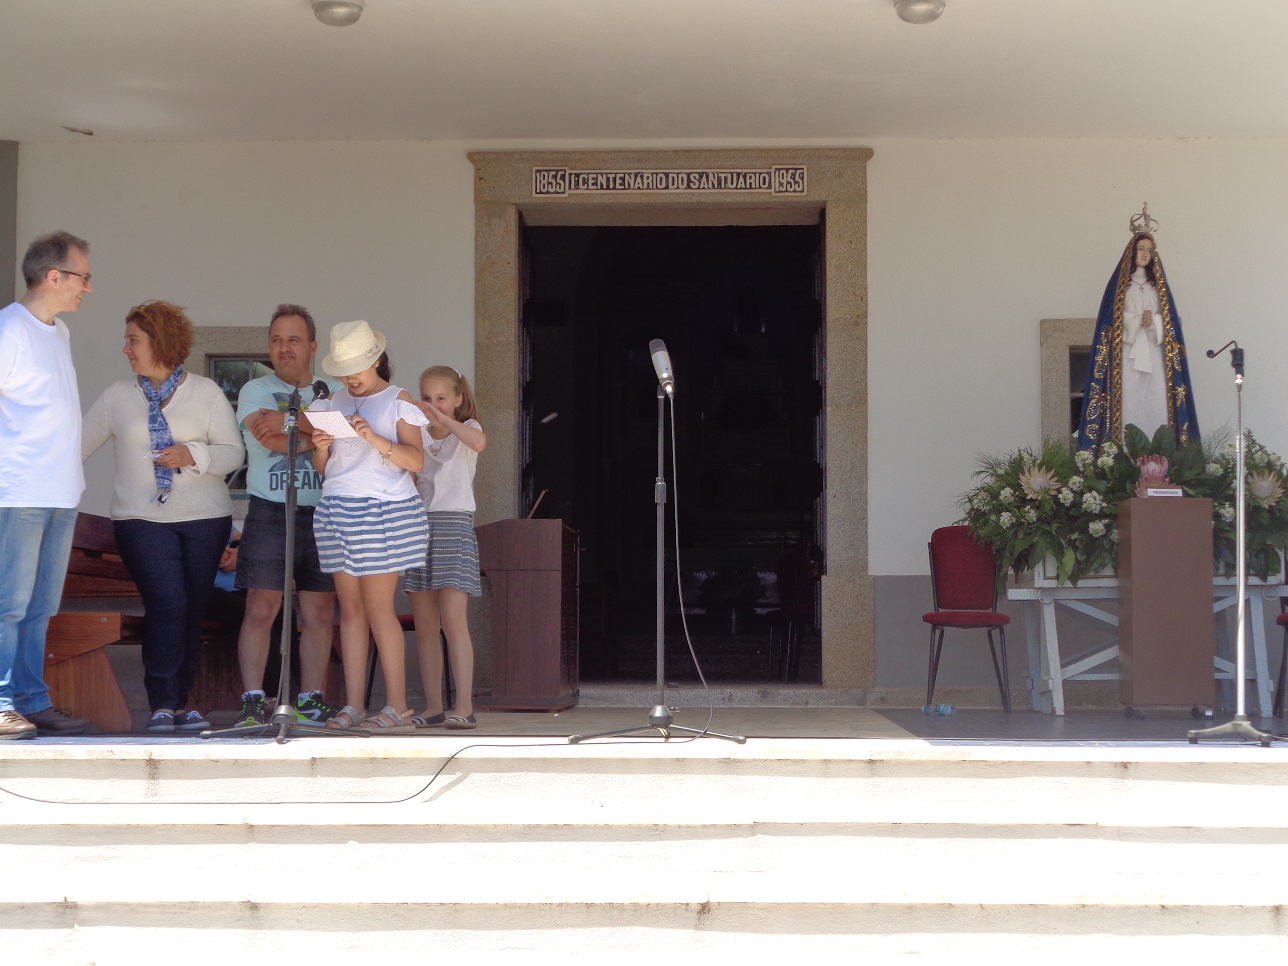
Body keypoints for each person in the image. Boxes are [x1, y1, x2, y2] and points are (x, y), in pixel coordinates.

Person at [82, 300, 245, 732]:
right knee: (168, 602)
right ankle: (162, 703)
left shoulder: (206, 393)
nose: (126, 349)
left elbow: (233, 453)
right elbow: (73, 449)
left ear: (160, 342)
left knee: (190, 608)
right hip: (140, 520)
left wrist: (193, 454)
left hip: (206, 519)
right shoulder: (117, 396)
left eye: (133, 340)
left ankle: (180, 703)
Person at [308, 321, 428, 731]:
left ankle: (397, 708)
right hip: (338, 506)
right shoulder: (332, 403)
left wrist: (375, 439)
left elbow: (416, 461)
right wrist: (320, 449)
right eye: (343, 371)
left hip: (383, 508)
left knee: (379, 608)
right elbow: (326, 468)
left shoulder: (397, 400)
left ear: (376, 360)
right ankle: (354, 706)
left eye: (356, 368)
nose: (350, 378)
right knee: (351, 610)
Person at [0, 231, 93, 739]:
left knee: (40, 608)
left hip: (60, 491)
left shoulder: (59, 332)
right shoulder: (8, 329)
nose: (88, 287)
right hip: (18, 492)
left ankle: (31, 700)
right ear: (54, 276)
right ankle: (1, 702)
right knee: (9, 604)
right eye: (83, 276)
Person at [233, 305, 341, 728]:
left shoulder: (333, 389)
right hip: (270, 511)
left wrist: (289, 421)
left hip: (325, 511)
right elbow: (272, 441)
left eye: (293, 340)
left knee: (319, 611)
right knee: (261, 609)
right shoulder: (255, 389)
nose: (284, 348)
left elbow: (345, 431)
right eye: (276, 340)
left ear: (312, 347)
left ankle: (311, 702)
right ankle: (253, 702)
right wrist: (315, 431)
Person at [405, 366, 487, 730]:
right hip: (418, 525)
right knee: (425, 625)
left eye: (441, 398)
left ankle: (464, 706)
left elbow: (479, 443)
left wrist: (445, 419)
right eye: (426, 397)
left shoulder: (468, 428)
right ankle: (433, 706)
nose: (433, 404)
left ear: (457, 399)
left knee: (453, 620)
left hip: (454, 524)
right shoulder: (417, 434)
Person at [1077, 212, 1200, 451]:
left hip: (1155, 353)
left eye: (1149, 250)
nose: (1145, 254)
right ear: (1131, 253)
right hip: (1127, 354)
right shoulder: (1122, 288)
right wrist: (1133, 321)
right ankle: (1124, 453)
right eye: (1141, 249)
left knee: (1158, 398)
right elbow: (1109, 322)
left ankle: (1162, 455)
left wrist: (1154, 322)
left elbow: (1171, 324)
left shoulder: (1158, 289)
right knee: (1129, 398)